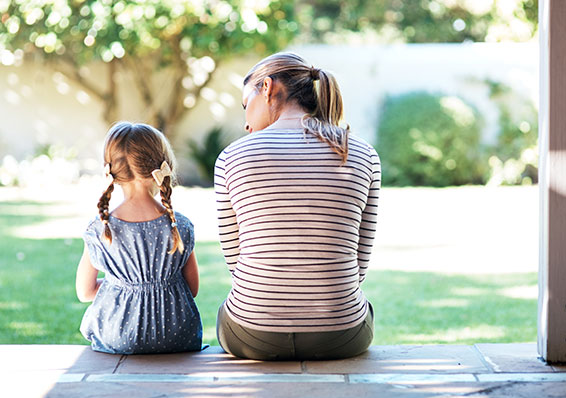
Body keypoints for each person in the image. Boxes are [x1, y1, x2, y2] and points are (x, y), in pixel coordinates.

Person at [214, 52, 381, 360]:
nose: (246, 122)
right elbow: (359, 262)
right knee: (362, 307)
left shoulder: (231, 157)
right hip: (341, 335)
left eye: (245, 105)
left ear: (267, 88)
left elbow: (236, 263)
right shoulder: (362, 153)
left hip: (252, 335)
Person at [76, 121, 203, 354]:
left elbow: (85, 292)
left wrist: (122, 285)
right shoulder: (180, 225)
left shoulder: (100, 228)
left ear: (111, 171)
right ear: (162, 166)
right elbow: (192, 288)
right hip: (177, 335)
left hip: (118, 336)